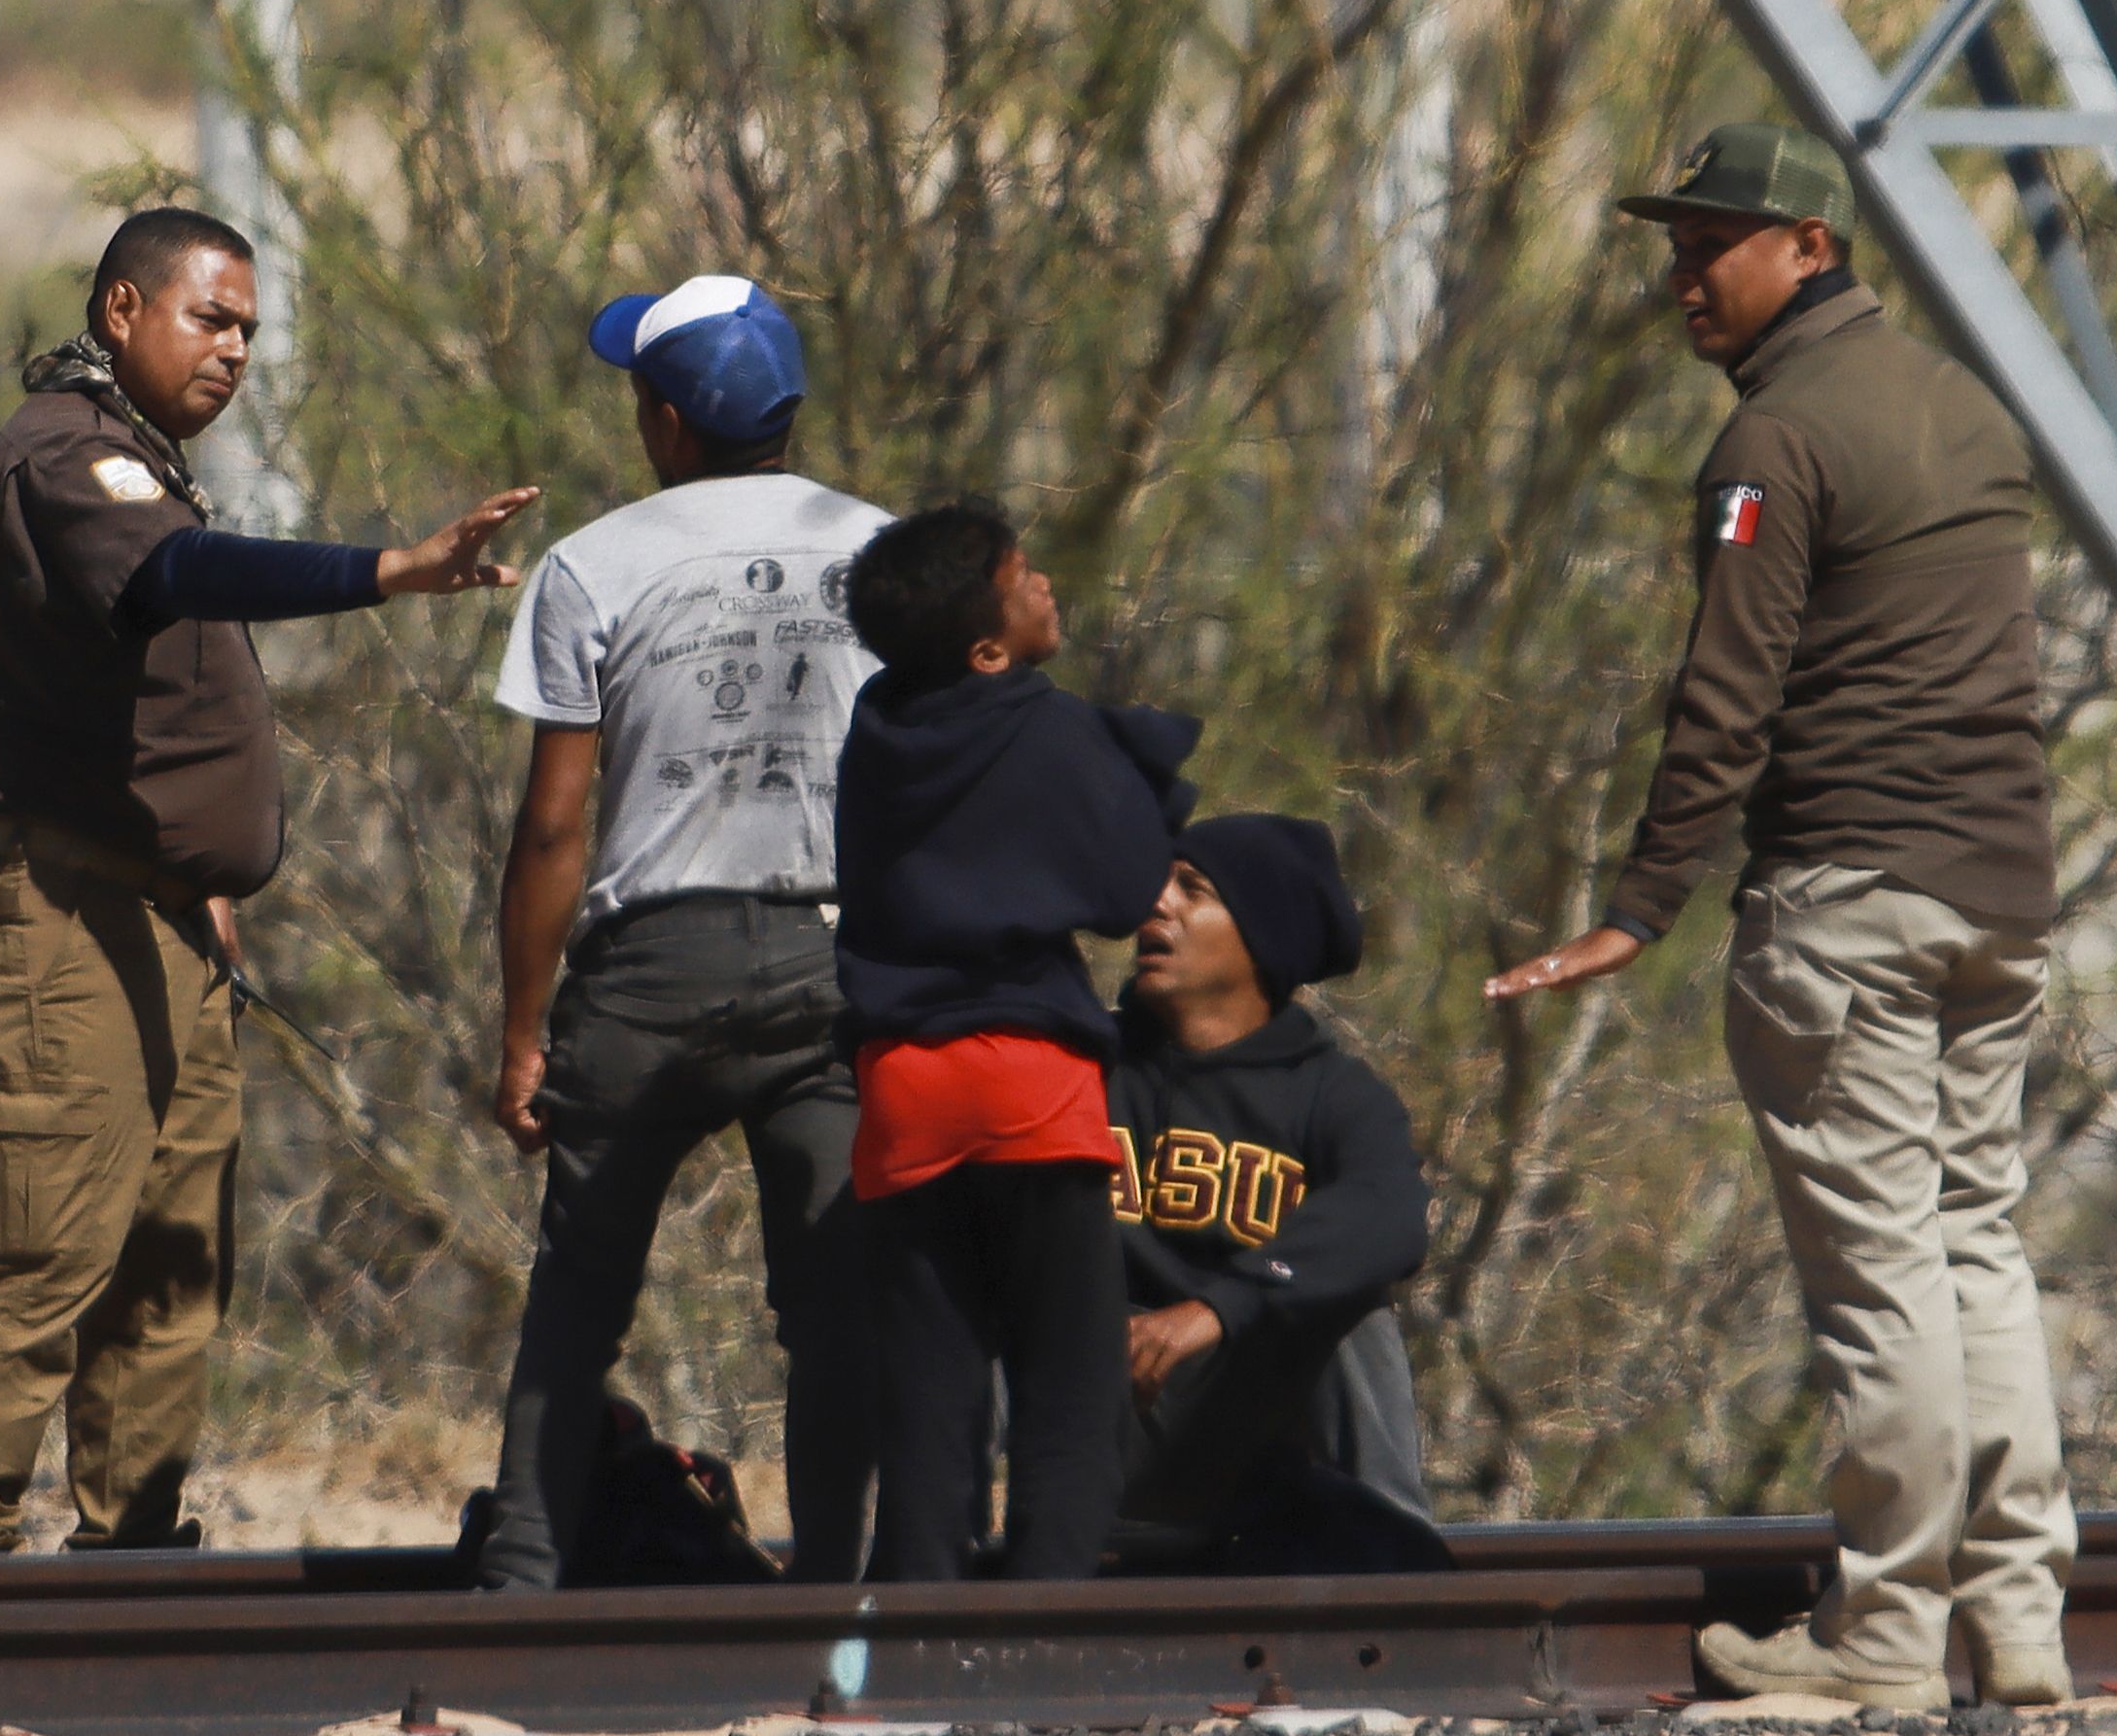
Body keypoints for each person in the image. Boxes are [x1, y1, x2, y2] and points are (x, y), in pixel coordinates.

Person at [1485, 122, 2066, 1711]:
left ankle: (1882, 1635)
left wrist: (1638, 904)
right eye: (1670, 244)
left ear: (1810, 241)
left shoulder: (1773, 442)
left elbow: (1722, 699)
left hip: (1851, 896)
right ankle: (2015, 1620)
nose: (1679, 274)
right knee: (1974, 1241)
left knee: (1885, 1265)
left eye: (1708, 242)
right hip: (1998, 895)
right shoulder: (1962, 405)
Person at [0, 206, 535, 1553]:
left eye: (250, 326)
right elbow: (178, 575)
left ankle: (127, 1556)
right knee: (45, 1240)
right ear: (123, 311)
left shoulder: (140, 458)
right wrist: (393, 568)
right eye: (211, 316)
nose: (236, 348)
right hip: (49, 903)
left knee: (171, 1251)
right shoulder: (67, 454)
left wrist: (200, 877)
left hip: (152, 909)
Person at [472, 274, 892, 1590]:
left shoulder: (591, 564)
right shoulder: (883, 552)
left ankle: (520, 1589)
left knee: (577, 1307)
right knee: (832, 1308)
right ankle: (829, 1596)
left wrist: (525, 1030)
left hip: (648, 969)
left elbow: (553, 827)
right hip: (833, 959)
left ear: (663, 421)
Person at [831, 499, 1197, 1583]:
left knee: (932, 1389)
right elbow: (1128, 884)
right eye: (1023, 576)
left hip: (901, 1083)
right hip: (1029, 1082)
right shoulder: (1042, 722)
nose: (1044, 584)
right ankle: (1048, 1620)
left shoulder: (877, 724)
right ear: (989, 650)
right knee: (1068, 1381)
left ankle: (917, 1626)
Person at [1108, 815, 1442, 1575]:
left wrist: (1222, 1307)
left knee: (1352, 1312)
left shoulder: (1335, 1094)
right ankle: (932, 1567)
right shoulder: (1083, 1064)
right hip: (1098, 1401)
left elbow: (1390, 1217)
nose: (1153, 904)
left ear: (1262, 936)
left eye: (1190, 890)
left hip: (1249, 1427)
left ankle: (1396, 1572)